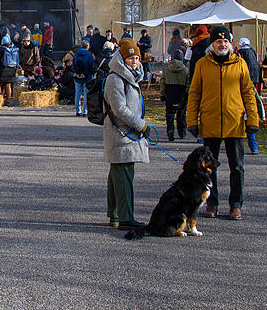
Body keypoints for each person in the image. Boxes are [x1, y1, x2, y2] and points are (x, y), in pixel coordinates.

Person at [187, 26, 259, 221]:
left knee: (237, 167)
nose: (222, 45)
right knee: (209, 167)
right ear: (212, 44)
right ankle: (212, 202)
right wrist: (192, 121)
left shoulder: (240, 63)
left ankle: (236, 204)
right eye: (218, 42)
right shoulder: (203, 64)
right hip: (210, 122)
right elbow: (194, 94)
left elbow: (248, 93)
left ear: (231, 43)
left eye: (225, 41)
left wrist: (253, 119)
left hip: (234, 122)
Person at [103, 38, 151, 230]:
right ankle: (126, 217)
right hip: (120, 133)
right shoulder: (115, 78)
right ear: (122, 59)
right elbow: (119, 109)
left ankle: (115, 214)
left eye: (137, 58)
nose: (135, 62)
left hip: (127, 133)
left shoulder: (130, 77)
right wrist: (141, 125)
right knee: (123, 175)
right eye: (131, 58)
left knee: (118, 173)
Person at [237, 37, 262, 154]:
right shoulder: (252, 51)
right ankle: (254, 147)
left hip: (244, 88)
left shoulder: (241, 54)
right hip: (254, 79)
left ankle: (249, 145)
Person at [159, 49, 190, 141]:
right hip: (181, 94)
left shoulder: (166, 69)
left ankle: (170, 130)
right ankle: (182, 132)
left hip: (170, 93)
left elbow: (162, 83)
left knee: (170, 114)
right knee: (181, 114)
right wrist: (188, 94)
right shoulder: (185, 70)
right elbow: (188, 84)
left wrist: (162, 94)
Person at [72, 40, 94, 116]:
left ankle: (78, 111)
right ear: (88, 47)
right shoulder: (89, 55)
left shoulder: (76, 54)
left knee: (77, 93)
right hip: (87, 76)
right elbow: (91, 66)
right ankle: (85, 111)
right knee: (86, 94)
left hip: (77, 76)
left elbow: (73, 65)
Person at [0, 35, 17, 105]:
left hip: (2, 69)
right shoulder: (13, 48)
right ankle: (8, 100)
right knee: (8, 84)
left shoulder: (2, 49)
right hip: (12, 69)